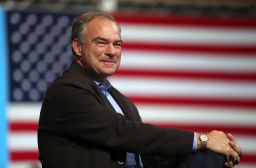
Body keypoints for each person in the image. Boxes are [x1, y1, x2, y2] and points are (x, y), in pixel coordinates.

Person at [37, 11, 242, 168]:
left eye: (117, 44)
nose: (111, 52)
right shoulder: (65, 90)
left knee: (209, 157)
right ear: (78, 47)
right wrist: (203, 139)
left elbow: (144, 154)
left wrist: (219, 149)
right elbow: (123, 133)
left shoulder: (122, 101)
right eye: (101, 43)